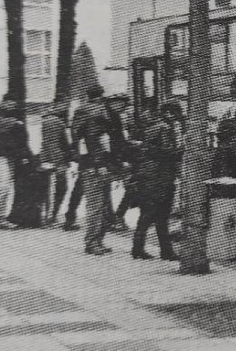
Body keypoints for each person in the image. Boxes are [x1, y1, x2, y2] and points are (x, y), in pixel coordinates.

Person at [131, 105, 180, 260]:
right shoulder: (164, 128)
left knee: (147, 214)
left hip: (148, 176)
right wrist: (181, 151)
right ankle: (165, 251)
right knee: (160, 216)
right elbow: (167, 151)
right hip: (160, 177)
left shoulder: (148, 129)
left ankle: (139, 248)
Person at [71, 84, 114, 255]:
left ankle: (95, 240)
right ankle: (92, 242)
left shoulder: (80, 111)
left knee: (97, 204)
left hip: (88, 164)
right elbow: (96, 139)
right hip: (96, 165)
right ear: (101, 95)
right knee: (97, 205)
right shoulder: (98, 111)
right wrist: (101, 163)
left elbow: (81, 140)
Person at [0, 100, 31, 230]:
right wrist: (16, 122)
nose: (12, 108)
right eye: (9, 105)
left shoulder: (2, 120)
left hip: (6, 157)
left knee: (6, 187)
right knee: (3, 187)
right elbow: (1, 123)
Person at [104, 93, 134, 231]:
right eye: (121, 104)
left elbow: (119, 140)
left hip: (116, 159)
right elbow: (113, 142)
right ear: (113, 103)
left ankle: (114, 218)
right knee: (106, 189)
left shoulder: (114, 115)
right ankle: (113, 219)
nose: (123, 107)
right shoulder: (107, 117)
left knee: (130, 187)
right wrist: (123, 159)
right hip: (111, 160)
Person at [41, 99, 73, 225]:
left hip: (44, 158)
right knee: (61, 188)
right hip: (58, 159)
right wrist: (69, 158)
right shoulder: (59, 123)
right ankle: (52, 215)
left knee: (47, 188)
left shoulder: (43, 120)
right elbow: (66, 143)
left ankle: (46, 215)